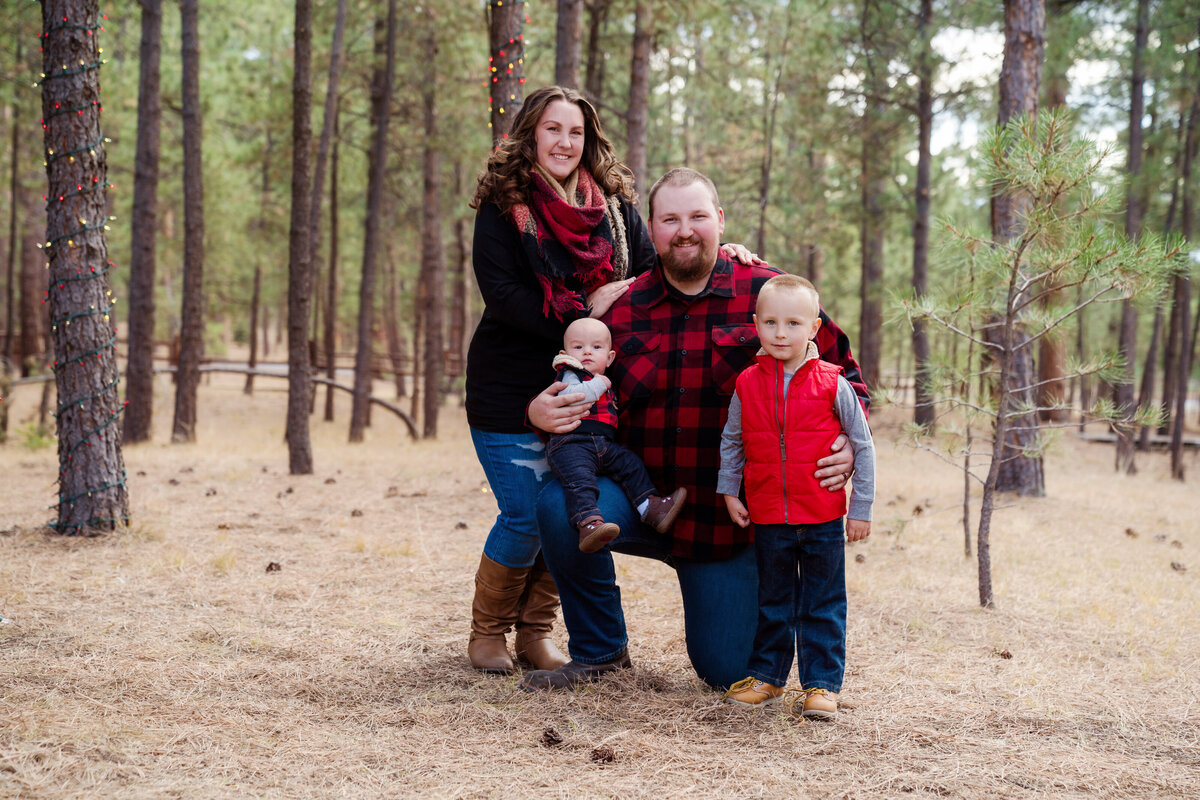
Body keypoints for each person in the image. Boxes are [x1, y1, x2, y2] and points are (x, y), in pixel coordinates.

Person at [523, 168, 869, 691]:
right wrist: (537, 411)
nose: (685, 230)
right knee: (557, 504)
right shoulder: (621, 309)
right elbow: (567, 374)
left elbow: (848, 373)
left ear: (720, 220)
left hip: (727, 525)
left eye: (698, 217)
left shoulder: (769, 297)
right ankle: (600, 651)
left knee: (727, 672)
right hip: (641, 502)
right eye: (670, 219)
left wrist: (847, 440)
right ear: (653, 229)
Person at [464, 88, 755, 674]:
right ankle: (490, 633)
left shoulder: (615, 206)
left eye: (575, 131)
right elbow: (505, 296)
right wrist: (583, 312)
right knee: (528, 512)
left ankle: (535, 633)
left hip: (597, 395)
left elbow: (660, 269)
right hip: (517, 388)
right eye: (552, 129)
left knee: (571, 507)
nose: (564, 142)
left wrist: (719, 251)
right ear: (531, 135)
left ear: (588, 138)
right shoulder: (506, 205)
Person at [717, 274, 875, 720]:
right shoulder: (747, 382)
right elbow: (733, 440)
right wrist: (730, 490)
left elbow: (862, 445)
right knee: (773, 601)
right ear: (756, 324)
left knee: (823, 602)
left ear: (814, 329)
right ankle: (767, 676)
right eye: (769, 323)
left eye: (792, 323)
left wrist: (860, 508)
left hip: (822, 516)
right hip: (769, 516)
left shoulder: (832, 382)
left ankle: (822, 684)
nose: (780, 333)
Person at [547, 317, 688, 553]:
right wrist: (599, 384)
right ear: (566, 353)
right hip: (571, 444)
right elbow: (575, 395)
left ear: (610, 357)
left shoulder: (599, 378)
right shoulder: (570, 374)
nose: (587, 353)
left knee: (630, 464)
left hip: (602, 444)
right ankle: (589, 524)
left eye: (596, 347)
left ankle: (650, 508)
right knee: (581, 483)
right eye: (578, 347)